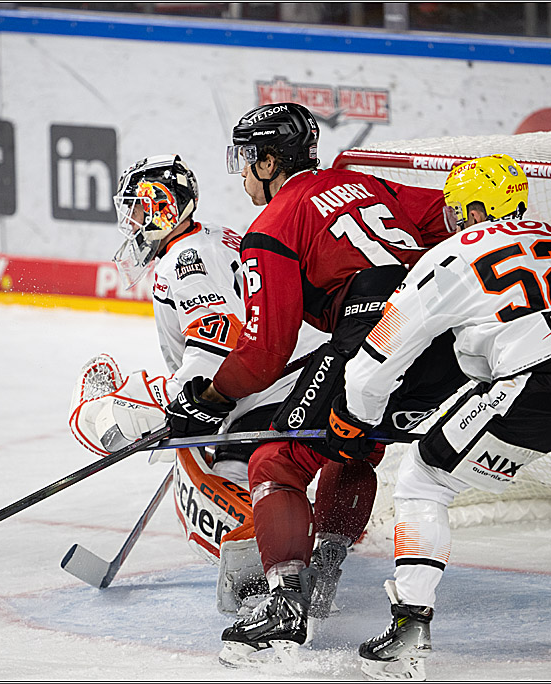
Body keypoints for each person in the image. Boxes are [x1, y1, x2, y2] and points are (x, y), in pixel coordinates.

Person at [325, 154, 551, 681]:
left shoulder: (451, 255)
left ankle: (409, 628)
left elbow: (383, 351)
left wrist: (353, 417)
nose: (454, 222)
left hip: (533, 390)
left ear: (478, 210)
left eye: (458, 211)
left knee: (424, 481)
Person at [162, 102, 465, 666]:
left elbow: (264, 355)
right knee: (354, 443)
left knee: (277, 460)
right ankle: (324, 563)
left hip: (374, 338)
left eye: (248, 158)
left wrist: (208, 398)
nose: (243, 171)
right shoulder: (365, 183)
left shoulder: (273, 225)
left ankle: (285, 606)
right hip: (446, 346)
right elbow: (454, 216)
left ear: (269, 162)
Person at [68, 155, 369, 615]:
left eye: (137, 208)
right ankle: (321, 550)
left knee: (212, 468)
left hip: (277, 383)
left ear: (162, 206)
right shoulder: (210, 239)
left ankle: (273, 571)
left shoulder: (186, 259)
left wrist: (174, 401)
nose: (130, 222)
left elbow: (217, 338)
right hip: (306, 368)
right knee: (236, 458)